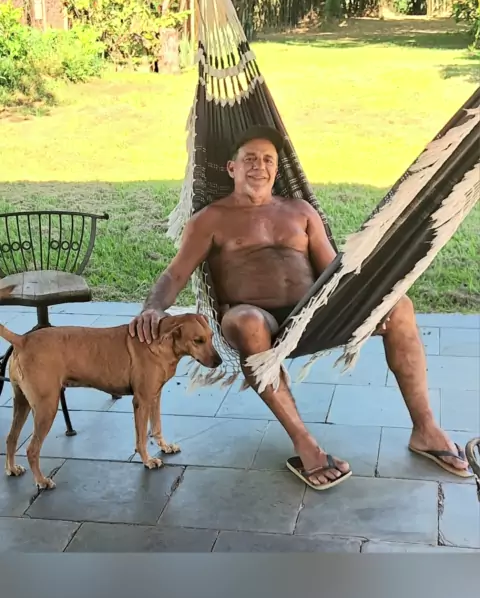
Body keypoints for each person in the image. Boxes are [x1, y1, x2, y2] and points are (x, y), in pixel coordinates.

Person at [129, 125, 471, 489]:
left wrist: (370, 301)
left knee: (398, 306)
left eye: (267, 160)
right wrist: (153, 307)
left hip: (311, 314)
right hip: (251, 315)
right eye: (249, 159)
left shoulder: (299, 211)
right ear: (231, 168)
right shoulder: (209, 220)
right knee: (247, 322)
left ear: (277, 169)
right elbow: (175, 273)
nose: (259, 166)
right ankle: (305, 444)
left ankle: (425, 429)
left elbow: (332, 273)